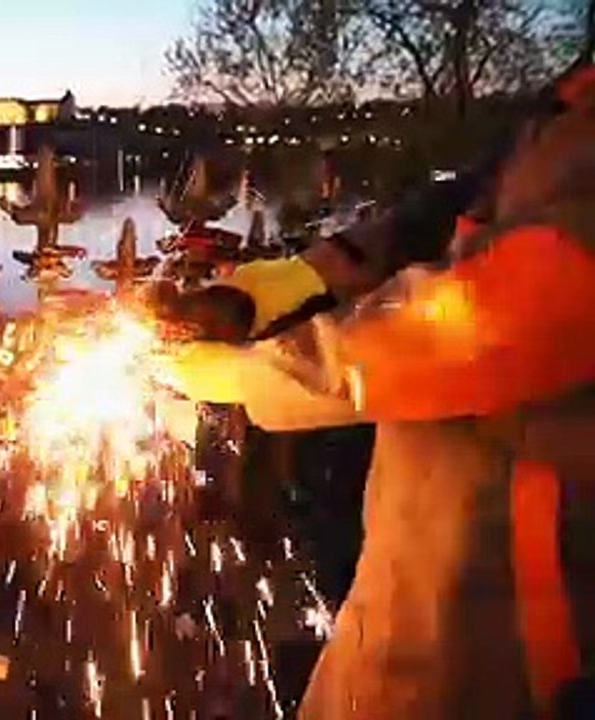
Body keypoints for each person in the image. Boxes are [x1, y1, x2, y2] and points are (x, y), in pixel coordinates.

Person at [160, 68, 595, 719]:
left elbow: (520, 308)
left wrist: (275, 370)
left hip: (524, 614)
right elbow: (454, 208)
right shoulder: (566, 108)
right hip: (423, 547)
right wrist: (305, 275)